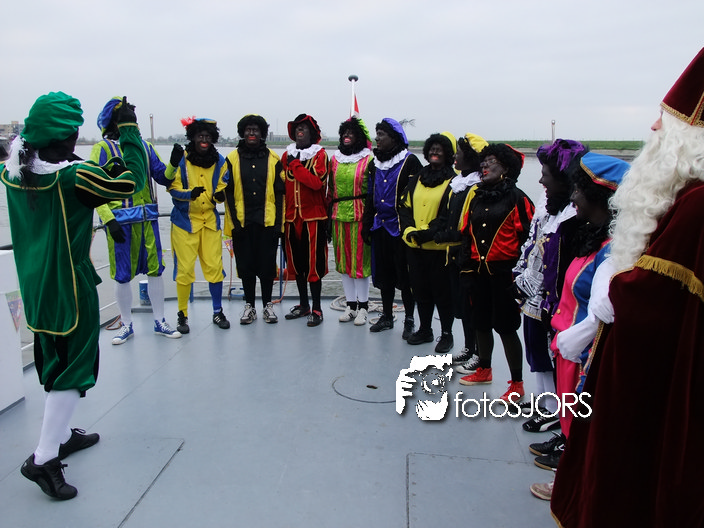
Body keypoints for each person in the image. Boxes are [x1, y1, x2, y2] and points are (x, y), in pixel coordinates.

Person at [551, 48, 704, 527]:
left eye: (665, 123)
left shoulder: (697, 204)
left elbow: (650, 298)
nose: (654, 129)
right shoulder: (684, 195)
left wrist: (614, 286)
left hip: (652, 381)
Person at [0, 93, 146, 499]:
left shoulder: (12, 172)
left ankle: (62, 434)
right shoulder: (74, 178)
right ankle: (44, 458)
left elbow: (68, 169)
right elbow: (132, 182)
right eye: (72, 135)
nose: (75, 142)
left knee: (54, 360)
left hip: (36, 285)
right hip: (69, 286)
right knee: (75, 368)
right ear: (63, 137)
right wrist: (128, 130)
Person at [92, 96, 181, 344]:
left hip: (147, 221)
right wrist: (108, 220)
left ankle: (160, 320)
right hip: (119, 223)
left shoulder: (145, 147)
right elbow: (94, 188)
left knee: (156, 270)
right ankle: (126, 323)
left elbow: (163, 177)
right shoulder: (103, 149)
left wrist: (174, 163)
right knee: (121, 274)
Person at [513, 139, 586, 432]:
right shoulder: (547, 207)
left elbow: (556, 262)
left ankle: (555, 408)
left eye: (546, 175)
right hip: (531, 294)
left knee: (550, 352)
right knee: (536, 351)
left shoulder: (572, 217)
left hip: (550, 298)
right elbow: (532, 244)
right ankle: (544, 400)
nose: (541, 180)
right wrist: (519, 276)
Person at [457, 144, 534, 401]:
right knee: (480, 321)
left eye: (491, 162)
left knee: (506, 327)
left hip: (505, 275)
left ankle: (517, 383)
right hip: (478, 272)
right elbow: (467, 235)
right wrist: (466, 270)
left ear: (506, 168)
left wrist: (520, 277)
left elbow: (529, 240)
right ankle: (484, 369)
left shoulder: (518, 198)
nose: (484, 166)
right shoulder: (477, 197)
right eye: (483, 162)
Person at [166, 117, 230, 333]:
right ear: (193, 137)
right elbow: (171, 188)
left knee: (215, 268)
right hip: (185, 223)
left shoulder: (220, 161)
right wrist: (189, 195)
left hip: (210, 222)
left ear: (213, 138)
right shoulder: (181, 160)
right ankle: (182, 314)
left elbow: (223, 185)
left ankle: (217, 311)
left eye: (208, 136)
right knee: (184, 270)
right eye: (200, 135)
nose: (204, 139)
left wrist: (219, 196)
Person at [362, 118, 423, 338]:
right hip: (380, 227)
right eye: (377, 134)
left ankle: (409, 319)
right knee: (384, 276)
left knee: (405, 278)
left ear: (394, 138)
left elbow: (417, 198)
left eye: (381, 134)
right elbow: (370, 196)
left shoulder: (410, 162)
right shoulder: (374, 164)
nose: (377, 138)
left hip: (400, 230)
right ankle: (387, 316)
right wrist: (366, 224)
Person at [223, 114, 285, 324]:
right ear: (243, 132)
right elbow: (227, 193)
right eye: (248, 129)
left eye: (256, 130)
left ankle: (267, 305)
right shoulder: (231, 159)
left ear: (262, 133)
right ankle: (249, 306)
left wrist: (279, 226)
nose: (251, 133)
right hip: (242, 222)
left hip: (267, 222)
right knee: (246, 267)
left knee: (267, 268)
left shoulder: (274, 159)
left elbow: (280, 194)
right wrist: (234, 224)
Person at [399, 132, 457, 353]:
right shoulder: (417, 178)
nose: (434, 151)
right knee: (420, 291)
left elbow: (448, 215)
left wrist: (427, 233)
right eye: (432, 148)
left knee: (443, 294)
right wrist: (409, 230)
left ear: (448, 154)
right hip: (415, 246)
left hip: (439, 249)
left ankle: (447, 334)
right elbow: (404, 206)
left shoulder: (454, 182)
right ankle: (425, 329)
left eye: (439, 149)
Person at [433, 133, 488, 367]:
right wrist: (436, 230)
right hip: (454, 255)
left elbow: (472, 225)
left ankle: (479, 354)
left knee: (474, 306)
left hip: (469, 257)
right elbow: (447, 216)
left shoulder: (477, 186)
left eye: (460, 152)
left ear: (471, 158)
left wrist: (449, 237)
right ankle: (468, 347)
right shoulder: (457, 184)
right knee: (463, 305)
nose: (455, 156)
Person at [280, 114, 329, 327]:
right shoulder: (286, 155)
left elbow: (317, 183)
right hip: (291, 219)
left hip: (313, 219)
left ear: (312, 133)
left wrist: (295, 166)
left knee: (313, 266)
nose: (300, 130)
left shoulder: (320, 155)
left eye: (304, 128)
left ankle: (317, 308)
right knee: (297, 265)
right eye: (297, 127)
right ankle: (303, 305)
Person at [328, 116, 373, 326]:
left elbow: (373, 192)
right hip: (338, 216)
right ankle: (351, 305)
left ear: (359, 136)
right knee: (344, 263)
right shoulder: (334, 160)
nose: (347, 135)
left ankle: (363, 307)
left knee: (360, 263)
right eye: (344, 132)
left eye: (351, 132)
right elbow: (330, 190)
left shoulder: (369, 160)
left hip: (360, 216)